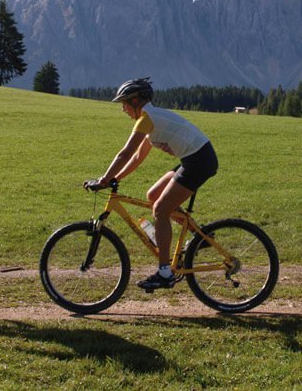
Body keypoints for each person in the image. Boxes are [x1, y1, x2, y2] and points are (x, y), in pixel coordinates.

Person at [85, 77, 218, 291]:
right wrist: (115, 179)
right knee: (153, 195)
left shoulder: (147, 119)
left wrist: (103, 179)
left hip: (199, 161)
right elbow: (137, 157)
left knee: (161, 209)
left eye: (125, 104)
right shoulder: (151, 119)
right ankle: (200, 237)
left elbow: (125, 153)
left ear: (136, 101)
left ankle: (165, 272)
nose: (123, 110)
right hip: (194, 159)